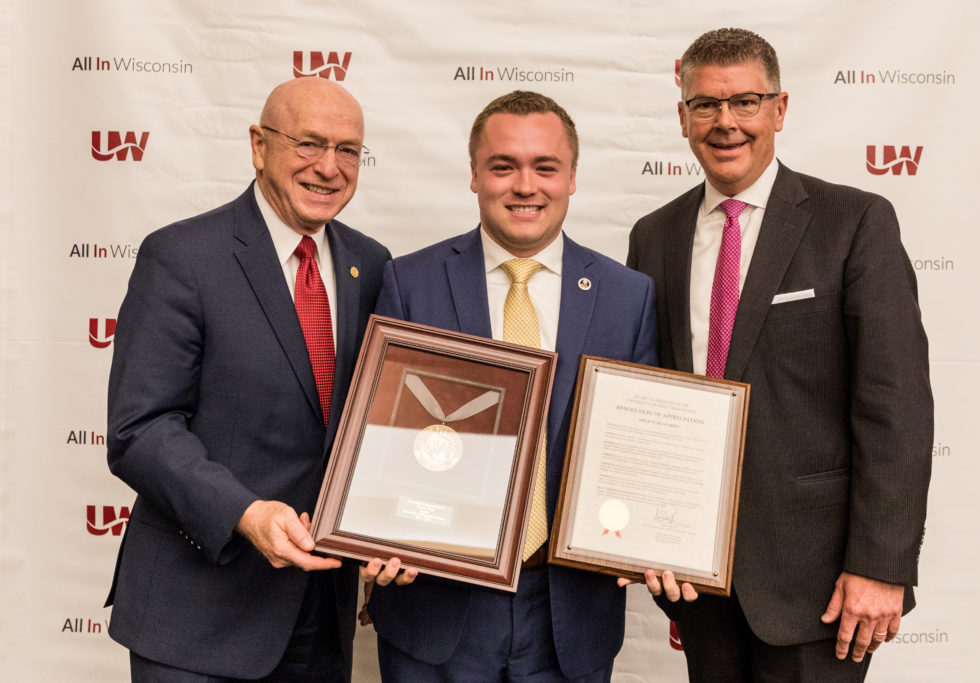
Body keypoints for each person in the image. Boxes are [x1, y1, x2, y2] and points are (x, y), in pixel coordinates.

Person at [627, 27, 933, 682]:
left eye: (745, 101)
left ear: (780, 109)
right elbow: (647, 397)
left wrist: (880, 564)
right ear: (682, 116)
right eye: (705, 104)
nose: (725, 121)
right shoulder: (654, 235)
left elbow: (896, 406)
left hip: (819, 584)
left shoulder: (854, 222)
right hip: (699, 580)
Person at [361, 90, 657, 681]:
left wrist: (651, 532)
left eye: (545, 167)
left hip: (571, 613)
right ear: (475, 175)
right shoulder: (409, 281)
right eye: (504, 166)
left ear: (572, 177)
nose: (526, 186)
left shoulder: (630, 296)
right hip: (437, 607)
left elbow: (640, 447)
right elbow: (379, 436)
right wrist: (374, 529)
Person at [104, 77, 391, 682]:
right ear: (259, 145)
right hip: (198, 614)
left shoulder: (373, 264)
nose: (329, 167)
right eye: (309, 143)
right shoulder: (182, 256)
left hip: (319, 613)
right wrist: (245, 512)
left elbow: (379, 422)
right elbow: (142, 428)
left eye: (348, 150)